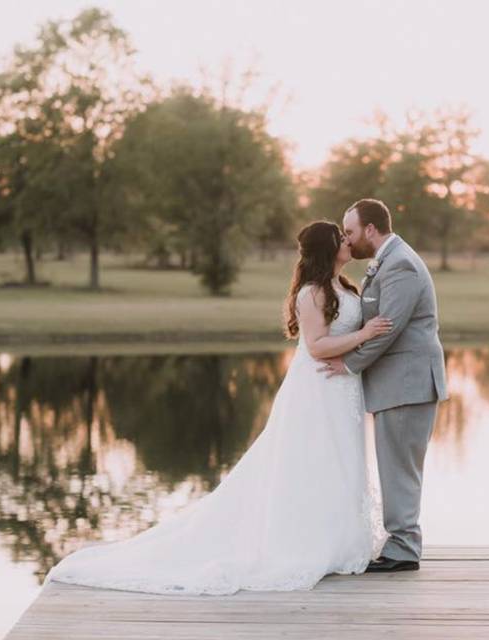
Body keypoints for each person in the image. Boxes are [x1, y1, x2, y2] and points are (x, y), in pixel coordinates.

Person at [44, 220, 391, 595]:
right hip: (319, 389)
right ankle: (304, 543)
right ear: (327, 248)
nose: (347, 242)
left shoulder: (345, 286)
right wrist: (364, 335)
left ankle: (338, 539)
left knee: (341, 458)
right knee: (312, 458)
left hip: (345, 392)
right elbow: (317, 346)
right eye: (341, 238)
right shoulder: (312, 293)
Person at [321, 198, 448, 573]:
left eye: (350, 232)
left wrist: (349, 364)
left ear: (370, 230)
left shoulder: (402, 265)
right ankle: (401, 543)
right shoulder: (389, 261)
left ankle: (404, 548)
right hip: (397, 385)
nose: (347, 239)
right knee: (395, 465)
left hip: (408, 385)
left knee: (400, 468)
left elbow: (386, 331)